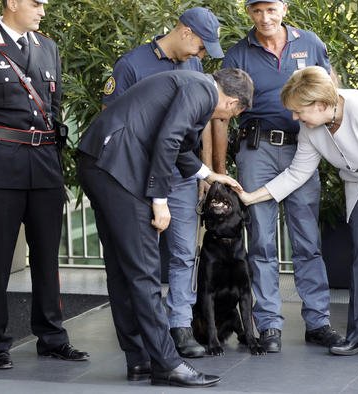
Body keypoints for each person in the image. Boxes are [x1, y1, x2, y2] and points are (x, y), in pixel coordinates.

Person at [239, 66, 358, 360]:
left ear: (320, 105)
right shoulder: (311, 129)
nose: (295, 118)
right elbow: (298, 173)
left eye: (298, 111)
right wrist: (252, 196)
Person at [77, 68, 253, 387]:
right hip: (119, 167)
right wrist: (159, 199)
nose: (227, 117)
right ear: (234, 103)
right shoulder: (202, 90)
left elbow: (178, 147)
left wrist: (209, 175)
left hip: (100, 162)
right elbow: (169, 138)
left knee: (122, 267)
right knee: (144, 270)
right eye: (235, 112)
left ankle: (141, 358)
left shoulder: (190, 84)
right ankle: (167, 363)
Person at [0, 0, 88, 369]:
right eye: (36, 3)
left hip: (43, 167)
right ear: (12, 3)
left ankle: (53, 337)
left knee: (47, 258)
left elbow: (53, 107)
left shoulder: (48, 48)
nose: (42, 11)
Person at [211, 0, 344, 353]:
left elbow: (331, 91)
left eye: (271, 9)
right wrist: (220, 172)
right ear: (249, 13)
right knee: (261, 243)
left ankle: (318, 322)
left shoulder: (310, 43)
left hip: (305, 147)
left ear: (284, 8)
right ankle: (268, 324)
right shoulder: (238, 53)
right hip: (257, 149)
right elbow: (222, 114)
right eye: (257, 11)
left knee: (307, 240)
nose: (264, 18)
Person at [101, 7, 224, 358]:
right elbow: (113, 123)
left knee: (185, 252)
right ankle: (147, 331)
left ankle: (180, 326)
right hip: (139, 177)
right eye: (201, 46)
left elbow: (196, 128)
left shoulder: (194, 66)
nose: (202, 55)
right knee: (146, 257)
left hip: (182, 174)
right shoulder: (131, 65)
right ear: (185, 32)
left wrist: (203, 171)